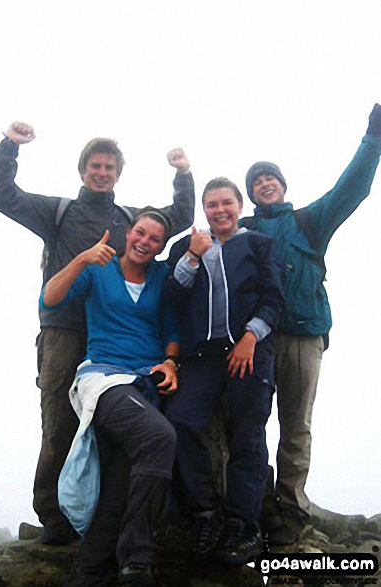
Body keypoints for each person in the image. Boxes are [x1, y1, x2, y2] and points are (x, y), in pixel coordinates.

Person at [0, 122, 194, 545]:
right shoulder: (59, 211)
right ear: (83, 170)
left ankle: (99, 514)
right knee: (60, 426)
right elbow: (2, 195)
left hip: (115, 338)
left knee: (109, 429)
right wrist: (9, 146)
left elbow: (176, 219)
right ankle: (53, 516)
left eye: (110, 167)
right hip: (64, 331)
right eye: (95, 166)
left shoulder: (129, 220)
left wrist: (182, 174)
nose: (102, 173)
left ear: (118, 174)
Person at [240, 103, 381, 545]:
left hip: (303, 334)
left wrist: (373, 139)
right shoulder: (241, 230)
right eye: (257, 181)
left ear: (282, 186)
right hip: (255, 340)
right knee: (247, 423)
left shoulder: (309, 221)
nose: (265, 183)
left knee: (295, 425)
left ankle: (292, 512)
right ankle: (253, 504)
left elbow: (350, 189)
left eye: (271, 178)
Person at [41, 210, 179, 587]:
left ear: (160, 247)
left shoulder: (161, 278)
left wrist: (170, 361)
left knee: (119, 480)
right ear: (127, 233)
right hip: (103, 380)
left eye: (154, 238)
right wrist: (83, 258)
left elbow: (171, 326)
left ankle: (89, 574)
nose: (144, 242)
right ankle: (137, 559)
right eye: (140, 232)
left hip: (144, 381)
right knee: (158, 438)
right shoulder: (99, 268)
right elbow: (51, 297)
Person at [163, 178, 286, 564]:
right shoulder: (188, 246)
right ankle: (205, 511)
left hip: (250, 350)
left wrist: (252, 336)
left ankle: (242, 524)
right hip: (203, 356)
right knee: (179, 420)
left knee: (248, 434)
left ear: (238, 205)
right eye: (212, 205)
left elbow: (275, 299)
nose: (220, 211)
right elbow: (171, 298)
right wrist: (191, 259)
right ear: (204, 210)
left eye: (227, 203)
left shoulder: (257, 243)